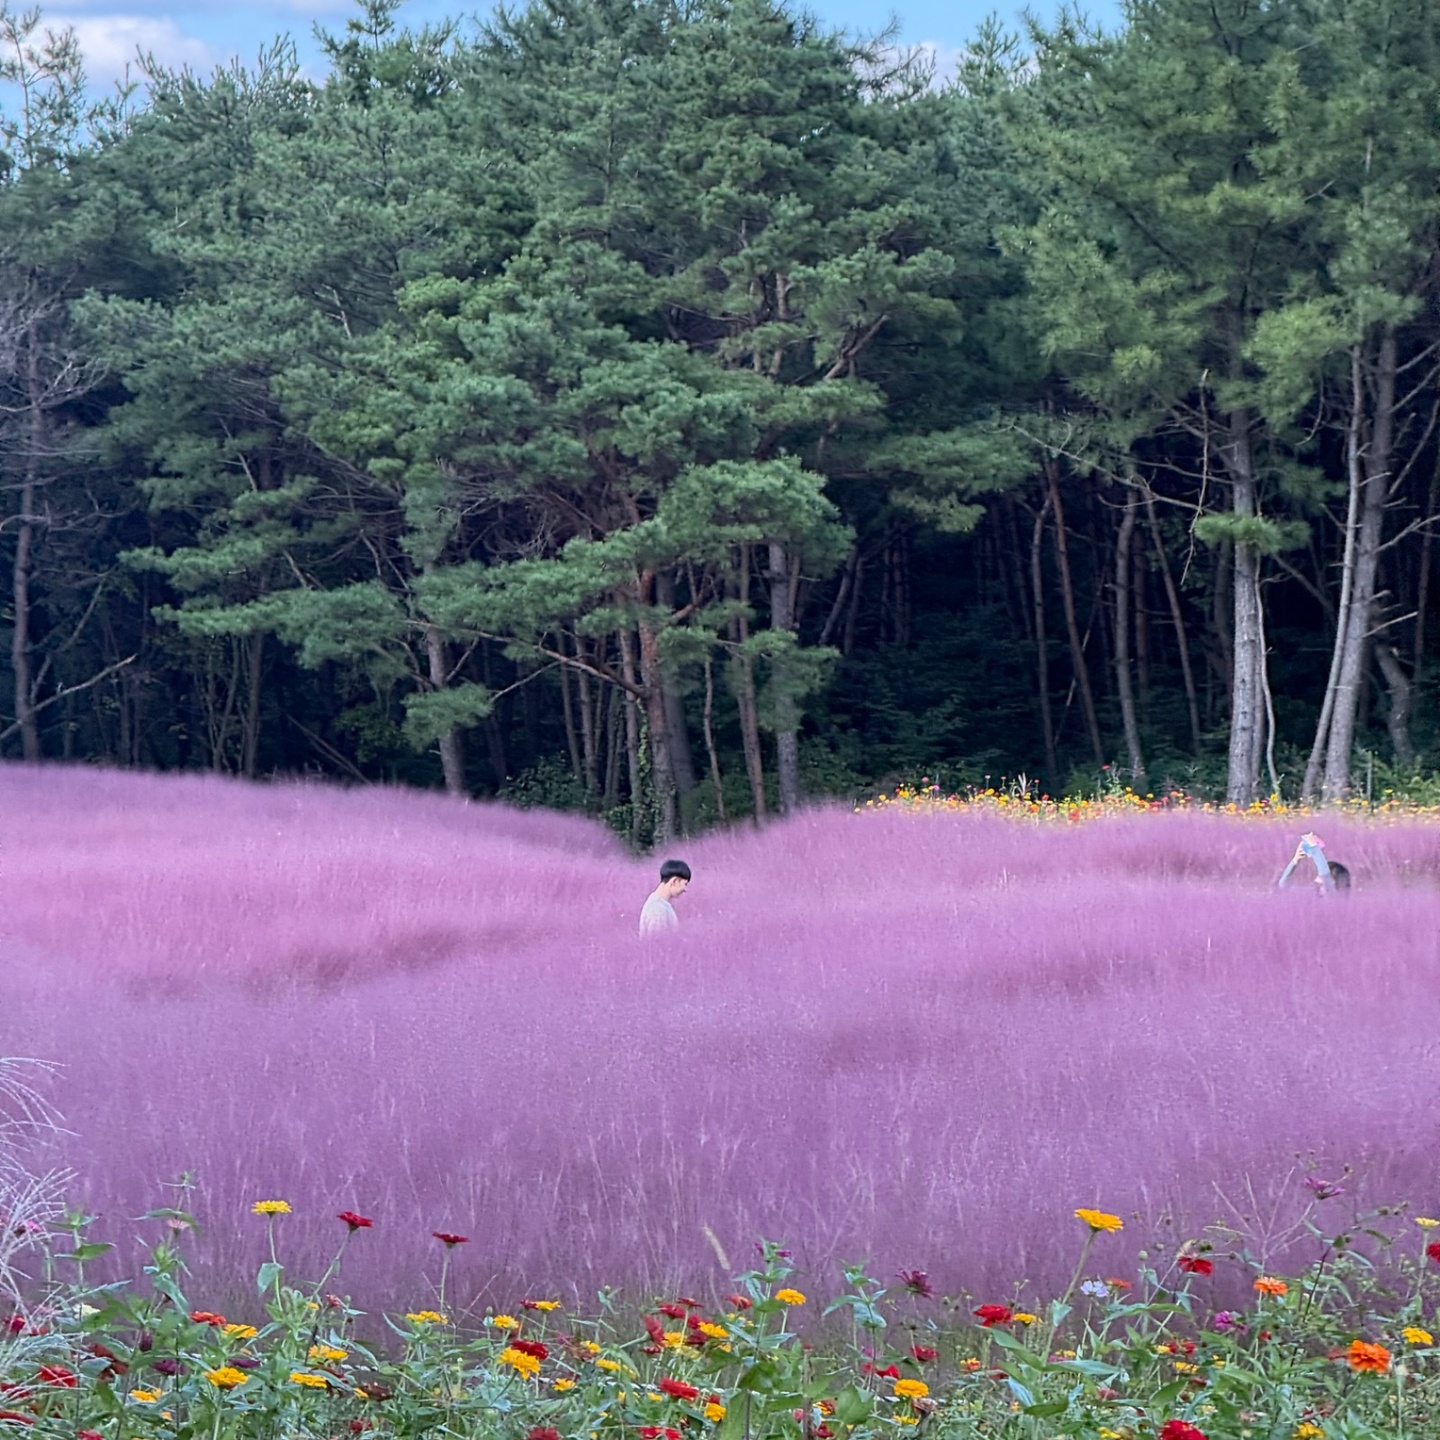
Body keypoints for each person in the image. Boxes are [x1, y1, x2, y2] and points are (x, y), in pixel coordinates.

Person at [1277, 832, 1349, 893]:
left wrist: (1314, 848)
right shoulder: (1315, 893)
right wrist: (1295, 860)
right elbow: (1283, 885)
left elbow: (1325, 875)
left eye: (1320, 877)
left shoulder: (1337, 899)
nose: (1316, 880)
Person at [639, 858, 691, 937]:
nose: (685, 890)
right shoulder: (657, 909)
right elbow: (657, 944)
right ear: (675, 881)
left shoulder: (660, 904)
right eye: (685, 884)